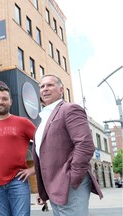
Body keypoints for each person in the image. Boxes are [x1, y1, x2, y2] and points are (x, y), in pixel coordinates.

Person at [33, 74, 103, 216]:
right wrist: (44, 190)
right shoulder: (43, 118)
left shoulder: (70, 109)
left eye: (50, 85)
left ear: (61, 90)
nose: (45, 89)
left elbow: (85, 145)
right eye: (42, 86)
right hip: (54, 187)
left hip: (69, 184)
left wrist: (72, 177)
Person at [0, 85, 36, 216]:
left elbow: (43, 145)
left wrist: (34, 169)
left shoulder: (23, 123)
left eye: (4, 99)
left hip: (18, 181)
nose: (0, 102)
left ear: (10, 101)